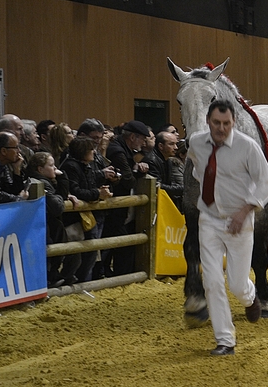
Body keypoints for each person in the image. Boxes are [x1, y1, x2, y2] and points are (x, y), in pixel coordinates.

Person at [187, 99, 268, 356]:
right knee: (212, 281)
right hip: (209, 219)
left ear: (233, 122)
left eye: (226, 123)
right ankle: (225, 340)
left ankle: (249, 297)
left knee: (236, 283)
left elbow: (265, 182)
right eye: (216, 123)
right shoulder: (196, 144)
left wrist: (245, 210)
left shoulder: (247, 147)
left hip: (241, 221)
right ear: (208, 121)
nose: (221, 128)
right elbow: (198, 172)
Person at [101, 120, 150, 277]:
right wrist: (138, 172)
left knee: (116, 243)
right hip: (114, 207)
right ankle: (110, 274)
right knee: (113, 243)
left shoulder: (124, 150)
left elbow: (128, 176)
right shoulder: (118, 152)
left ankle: (110, 273)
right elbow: (129, 180)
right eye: (142, 139)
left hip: (118, 206)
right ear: (133, 137)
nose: (144, 143)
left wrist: (134, 170)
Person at [62, 136, 113, 282]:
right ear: (82, 151)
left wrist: (99, 190)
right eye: (91, 149)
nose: (94, 152)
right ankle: (76, 281)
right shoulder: (71, 166)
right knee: (77, 255)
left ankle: (84, 282)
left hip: (87, 217)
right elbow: (76, 191)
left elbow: (87, 187)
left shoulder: (86, 166)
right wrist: (98, 193)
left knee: (90, 252)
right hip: (74, 219)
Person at [28, 152, 81, 287]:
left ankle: (58, 277)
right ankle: (54, 278)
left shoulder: (46, 181)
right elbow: (56, 206)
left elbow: (58, 199)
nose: (55, 168)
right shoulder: (41, 183)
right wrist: (62, 184)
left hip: (50, 227)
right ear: (40, 169)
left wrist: (64, 192)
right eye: (51, 165)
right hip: (45, 228)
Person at [145, 130, 184, 211]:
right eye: (171, 144)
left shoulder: (168, 159)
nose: (176, 148)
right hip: (153, 206)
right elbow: (157, 186)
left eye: (176, 144)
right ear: (161, 146)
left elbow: (169, 183)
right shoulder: (151, 160)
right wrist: (182, 189)